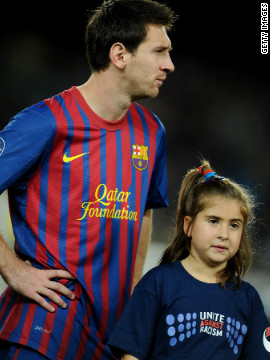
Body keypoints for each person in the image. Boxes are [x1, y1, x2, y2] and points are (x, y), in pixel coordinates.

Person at [0, 0, 178, 359]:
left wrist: (131, 296)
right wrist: (14, 270)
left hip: (108, 333)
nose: (169, 65)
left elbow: (144, 211)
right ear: (119, 54)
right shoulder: (45, 122)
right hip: (45, 322)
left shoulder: (151, 132)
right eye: (159, 51)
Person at [108, 160, 270, 359]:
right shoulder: (157, 283)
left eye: (234, 225)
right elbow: (131, 355)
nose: (224, 234)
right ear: (188, 225)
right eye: (214, 221)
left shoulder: (248, 298)